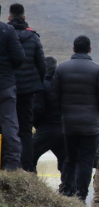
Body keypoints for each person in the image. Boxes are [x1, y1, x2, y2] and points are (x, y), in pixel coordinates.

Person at [51, 35, 99, 202]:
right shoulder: (97, 69)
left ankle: (66, 190)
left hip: (69, 123)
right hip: (91, 124)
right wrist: (98, 114)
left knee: (70, 158)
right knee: (86, 160)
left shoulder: (61, 69)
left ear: (73, 49)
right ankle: (81, 196)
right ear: (90, 49)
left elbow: (53, 96)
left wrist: (64, 113)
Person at [8, 3, 47, 172]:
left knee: (7, 127)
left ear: (9, 18)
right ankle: (28, 168)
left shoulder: (3, 36)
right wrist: (36, 85)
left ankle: (7, 166)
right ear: (24, 18)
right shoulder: (33, 37)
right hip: (27, 92)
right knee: (25, 130)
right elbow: (42, 66)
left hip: (6, 89)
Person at [33, 56, 67, 187]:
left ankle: (33, 186)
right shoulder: (63, 85)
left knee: (29, 155)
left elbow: (37, 109)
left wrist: (35, 123)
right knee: (66, 161)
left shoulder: (41, 85)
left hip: (46, 128)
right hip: (64, 128)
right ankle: (67, 190)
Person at [0, 4, 25, 171]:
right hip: (5, 84)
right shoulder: (7, 30)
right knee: (9, 124)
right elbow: (19, 57)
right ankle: (11, 168)